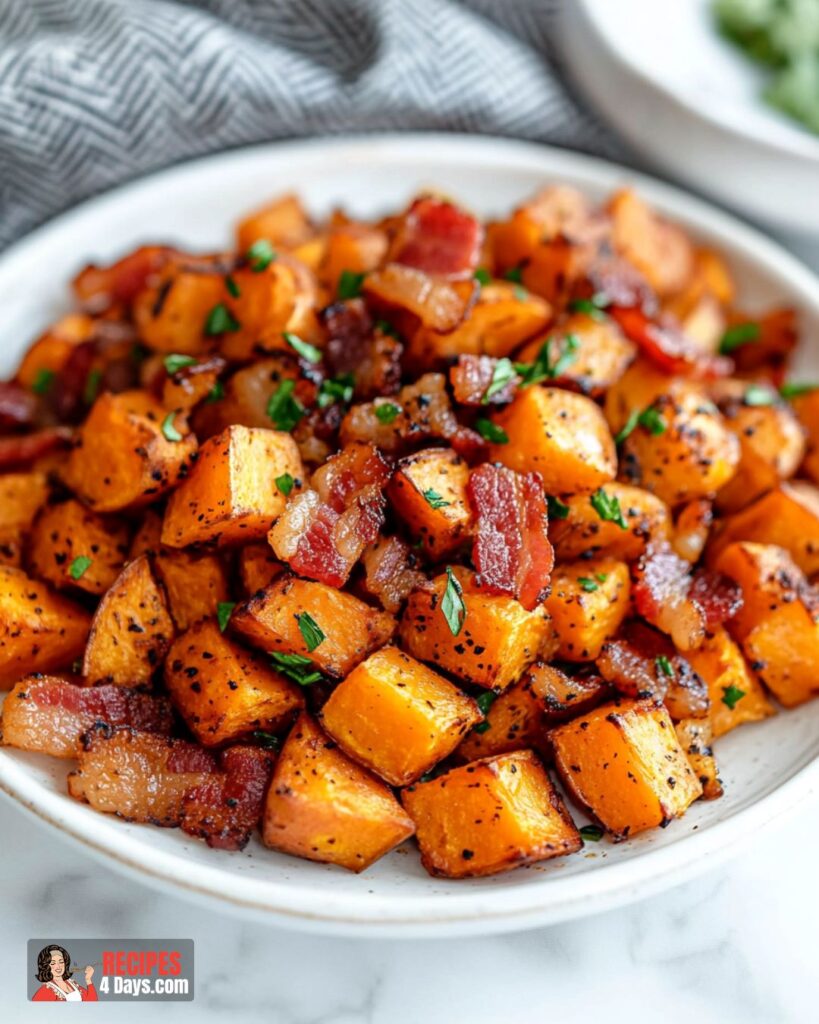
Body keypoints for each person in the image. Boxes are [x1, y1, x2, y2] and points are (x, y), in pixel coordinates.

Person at [32, 944, 97, 1002]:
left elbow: (91, 1002)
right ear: (46, 966)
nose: (58, 966)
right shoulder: (46, 990)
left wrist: (88, 979)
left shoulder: (72, 983)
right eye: (53, 963)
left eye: (61, 962)